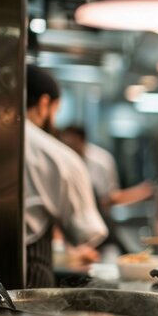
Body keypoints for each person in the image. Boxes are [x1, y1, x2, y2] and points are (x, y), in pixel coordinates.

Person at [23, 65, 108, 287]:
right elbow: (86, 231)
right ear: (44, 104)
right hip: (29, 280)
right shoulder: (56, 155)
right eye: (56, 111)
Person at [59, 126, 154, 254]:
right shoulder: (61, 159)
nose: (68, 148)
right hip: (69, 226)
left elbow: (111, 196)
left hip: (99, 223)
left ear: (82, 140)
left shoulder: (101, 160)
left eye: (71, 143)